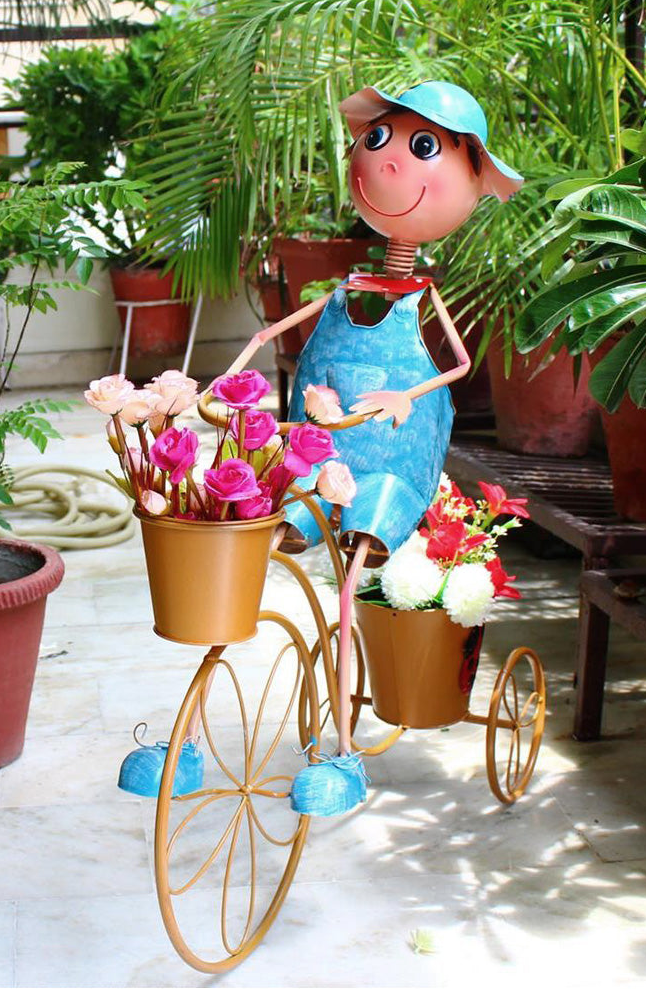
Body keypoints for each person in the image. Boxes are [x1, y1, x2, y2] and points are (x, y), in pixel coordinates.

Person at [222, 81, 523, 815]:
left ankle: (345, 753)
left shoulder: (419, 295)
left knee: (354, 577)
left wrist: (402, 396)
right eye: (380, 140)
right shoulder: (342, 289)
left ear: (472, 178)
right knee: (251, 530)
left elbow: (453, 364)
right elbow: (270, 333)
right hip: (323, 455)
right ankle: (236, 684)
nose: (387, 162)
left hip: (391, 466)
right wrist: (234, 373)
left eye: (423, 148)